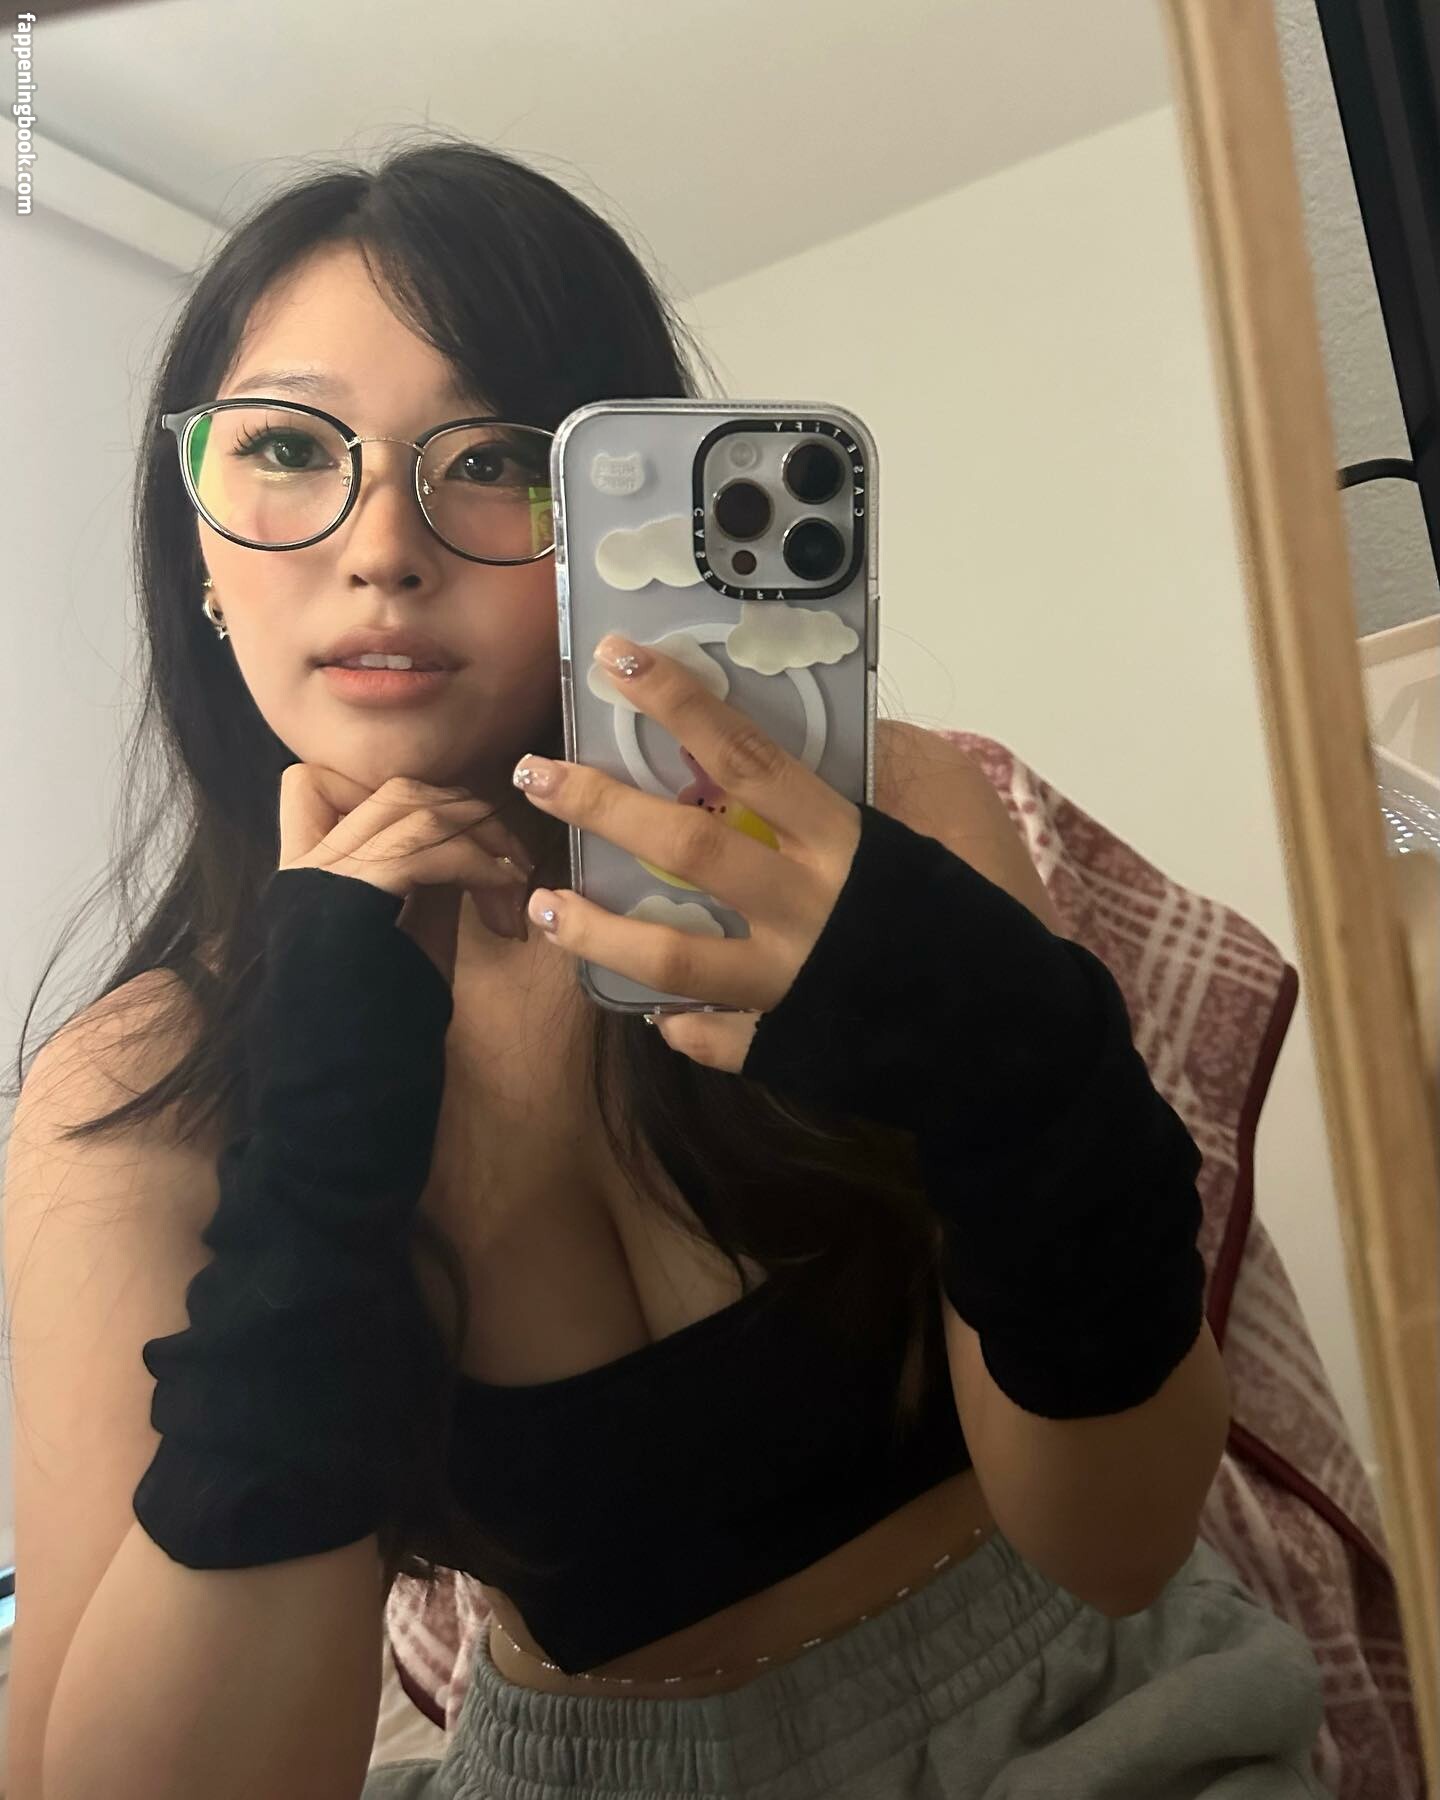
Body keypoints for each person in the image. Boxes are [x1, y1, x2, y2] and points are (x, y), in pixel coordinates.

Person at [5, 137, 1334, 1800]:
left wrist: (1014, 1073)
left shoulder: (884, 823)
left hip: (1081, 1719)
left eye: (496, 456)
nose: (383, 546)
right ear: (195, 542)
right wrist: (320, 1140)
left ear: (616, 501)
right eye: (284, 446)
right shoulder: (140, 1095)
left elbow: (1121, 1542)